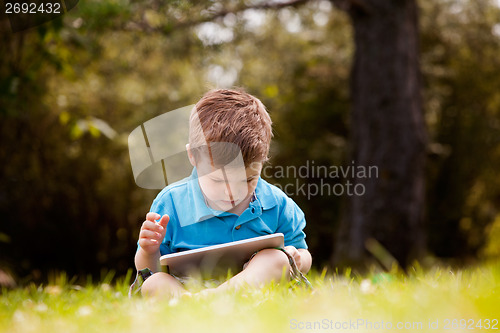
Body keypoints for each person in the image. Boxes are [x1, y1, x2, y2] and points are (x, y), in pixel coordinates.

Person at [134, 89, 312, 298]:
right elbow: (148, 270)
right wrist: (149, 250)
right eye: (217, 180)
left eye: (247, 180)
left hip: (253, 289)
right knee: (153, 283)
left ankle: (214, 300)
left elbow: (302, 251)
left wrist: (297, 258)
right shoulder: (172, 202)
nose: (232, 193)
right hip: (187, 290)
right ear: (193, 156)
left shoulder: (277, 203)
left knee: (277, 260)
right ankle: (194, 303)